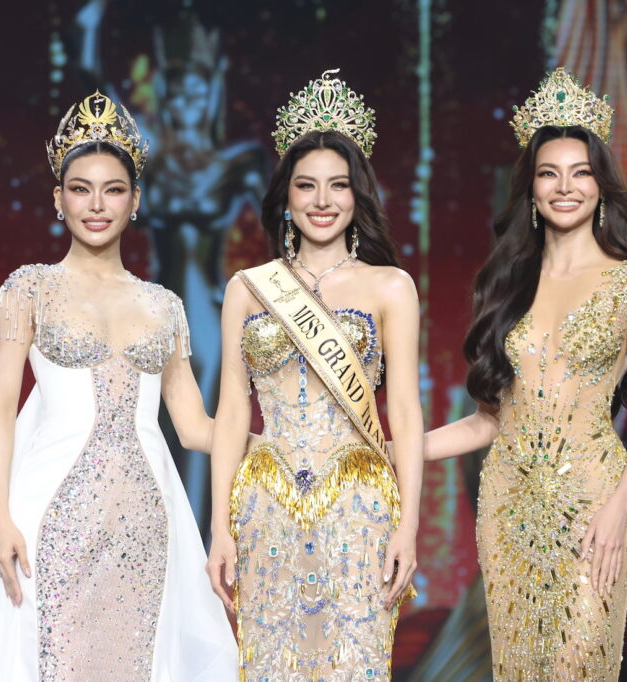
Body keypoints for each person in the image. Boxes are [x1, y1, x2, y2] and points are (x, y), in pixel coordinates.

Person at [0, 91, 237, 680]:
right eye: (81, 189)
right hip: (44, 517)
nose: (97, 205)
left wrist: (281, 444)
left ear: (135, 200)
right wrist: (1, 518)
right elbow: (0, 411)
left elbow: (194, 428)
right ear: (58, 199)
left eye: (113, 190)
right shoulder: (29, 289)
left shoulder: (163, 306)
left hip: (144, 520)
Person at [420, 68, 627, 679]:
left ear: (601, 186)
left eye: (580, 172)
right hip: (508, 508)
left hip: (595, 504)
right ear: (531, 189)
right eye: (548, 173)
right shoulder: (509, 286)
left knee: (578, 663)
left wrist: (618, 508)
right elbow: (490, 422)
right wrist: (403, 449)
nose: (565, 187)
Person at [205, 69, 423, 680]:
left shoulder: (391, 286)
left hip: (359, 505)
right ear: (286, 196)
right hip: (264, 504)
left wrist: (408, 526)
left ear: (358, 195)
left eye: (338, 185)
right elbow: (232, 412)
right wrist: (219, 527)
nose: (322, 201)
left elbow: (405, 414)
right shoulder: (249, 288)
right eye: (306, 185)